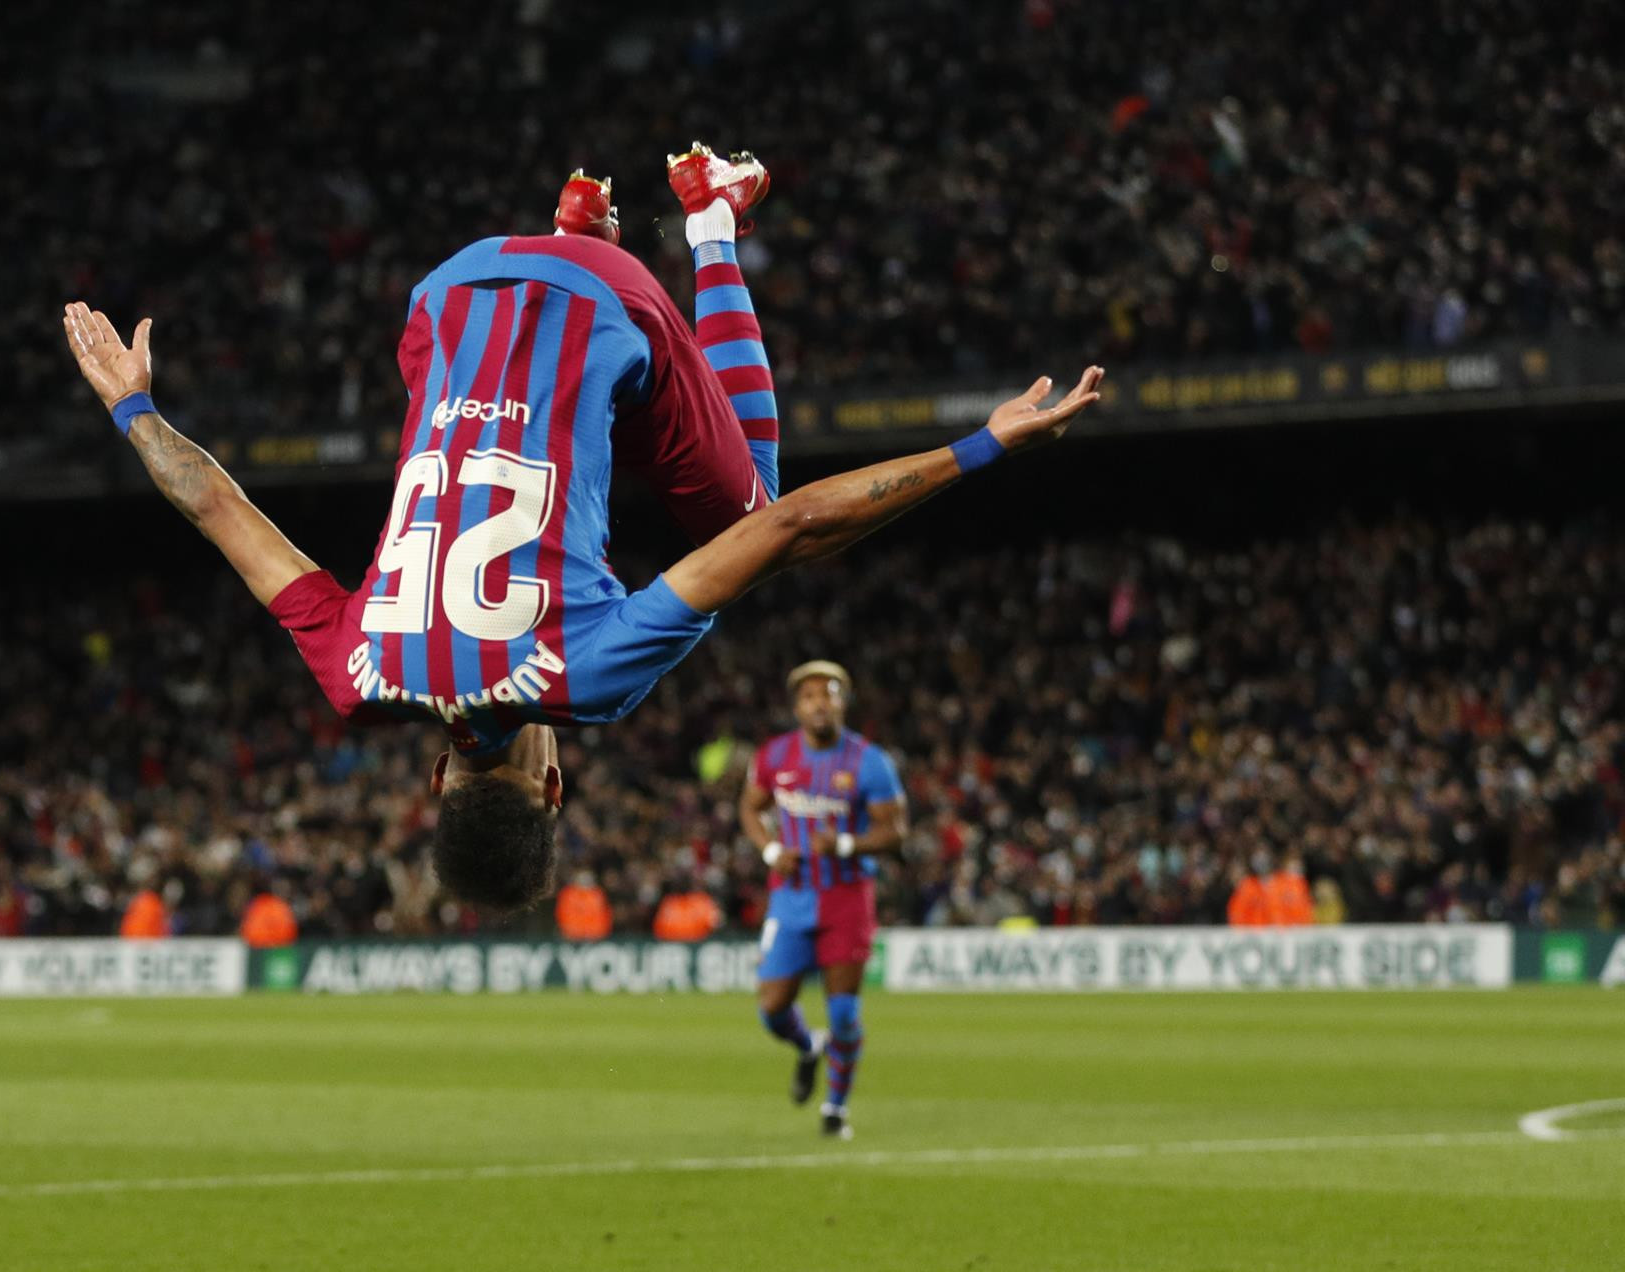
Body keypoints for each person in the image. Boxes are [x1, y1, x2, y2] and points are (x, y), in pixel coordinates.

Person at [61, 144, 1103, 914]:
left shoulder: (586, 675)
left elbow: (793, 526)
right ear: (435, 780)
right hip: (447, 296)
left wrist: (986, 446)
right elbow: (213, 504)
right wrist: (133, 409)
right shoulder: (357, 672)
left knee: (748, 504)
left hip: (609, 302)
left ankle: (712, 216)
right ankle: (573, 228)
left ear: (552, 787)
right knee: (600, 424)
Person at [739, 661, 906, 1140]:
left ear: (842, 703)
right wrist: (771, 850)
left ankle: (835, 1108)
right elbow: (749, 807)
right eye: (809, 696)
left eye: (829, 694)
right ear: (796, 707)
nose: (819, 703)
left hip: (846, 898)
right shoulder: (773, 756)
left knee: (844, 1013)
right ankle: (809, 1047)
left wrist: (848, 845)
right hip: (790, 898)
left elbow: (895, 831)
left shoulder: (868, 761)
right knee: (771, 1007)